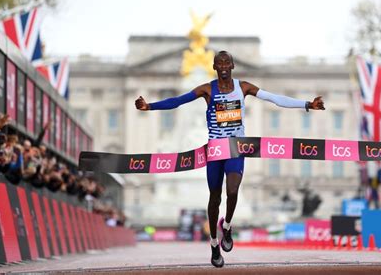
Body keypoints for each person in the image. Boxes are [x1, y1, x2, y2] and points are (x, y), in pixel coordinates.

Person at [135, 50, 325, 268]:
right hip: (215, 150)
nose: (223, 65)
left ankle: (226, 226)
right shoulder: (207, 89)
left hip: (235, 147)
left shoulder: (243, 87)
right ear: (215, 67)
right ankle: (214, 243)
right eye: (219, 62)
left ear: (233, 65)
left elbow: (274, 98)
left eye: (227, 62)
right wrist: (149, 106)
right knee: (214, 198)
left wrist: (307, 105)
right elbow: (178, 101)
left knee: (233, 191)